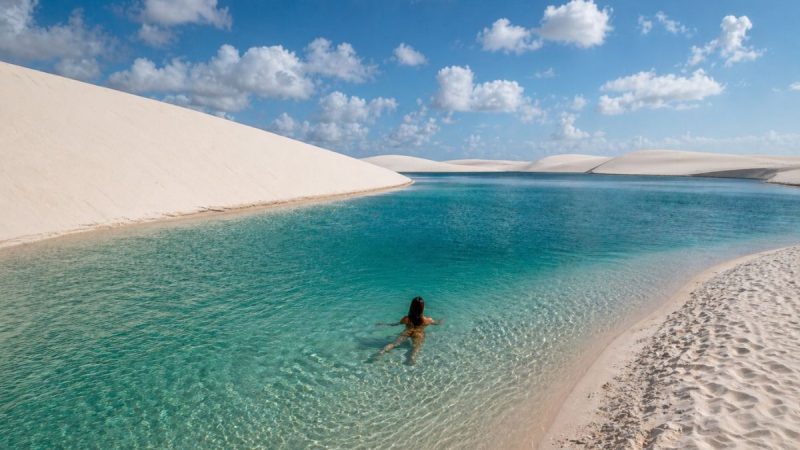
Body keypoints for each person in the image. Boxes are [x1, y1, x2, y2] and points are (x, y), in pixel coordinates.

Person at [377, 296, 442, 365]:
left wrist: (384, 324)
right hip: (418, 333)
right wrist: (441, 321)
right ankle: (412, 358)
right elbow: (436, 323)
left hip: (407, 331)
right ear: (422, 308)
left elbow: (396, 324)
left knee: (394, 344)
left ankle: (381, 352)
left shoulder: (406, 318)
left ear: (411, 307)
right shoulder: (428, 320)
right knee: (416, 347)